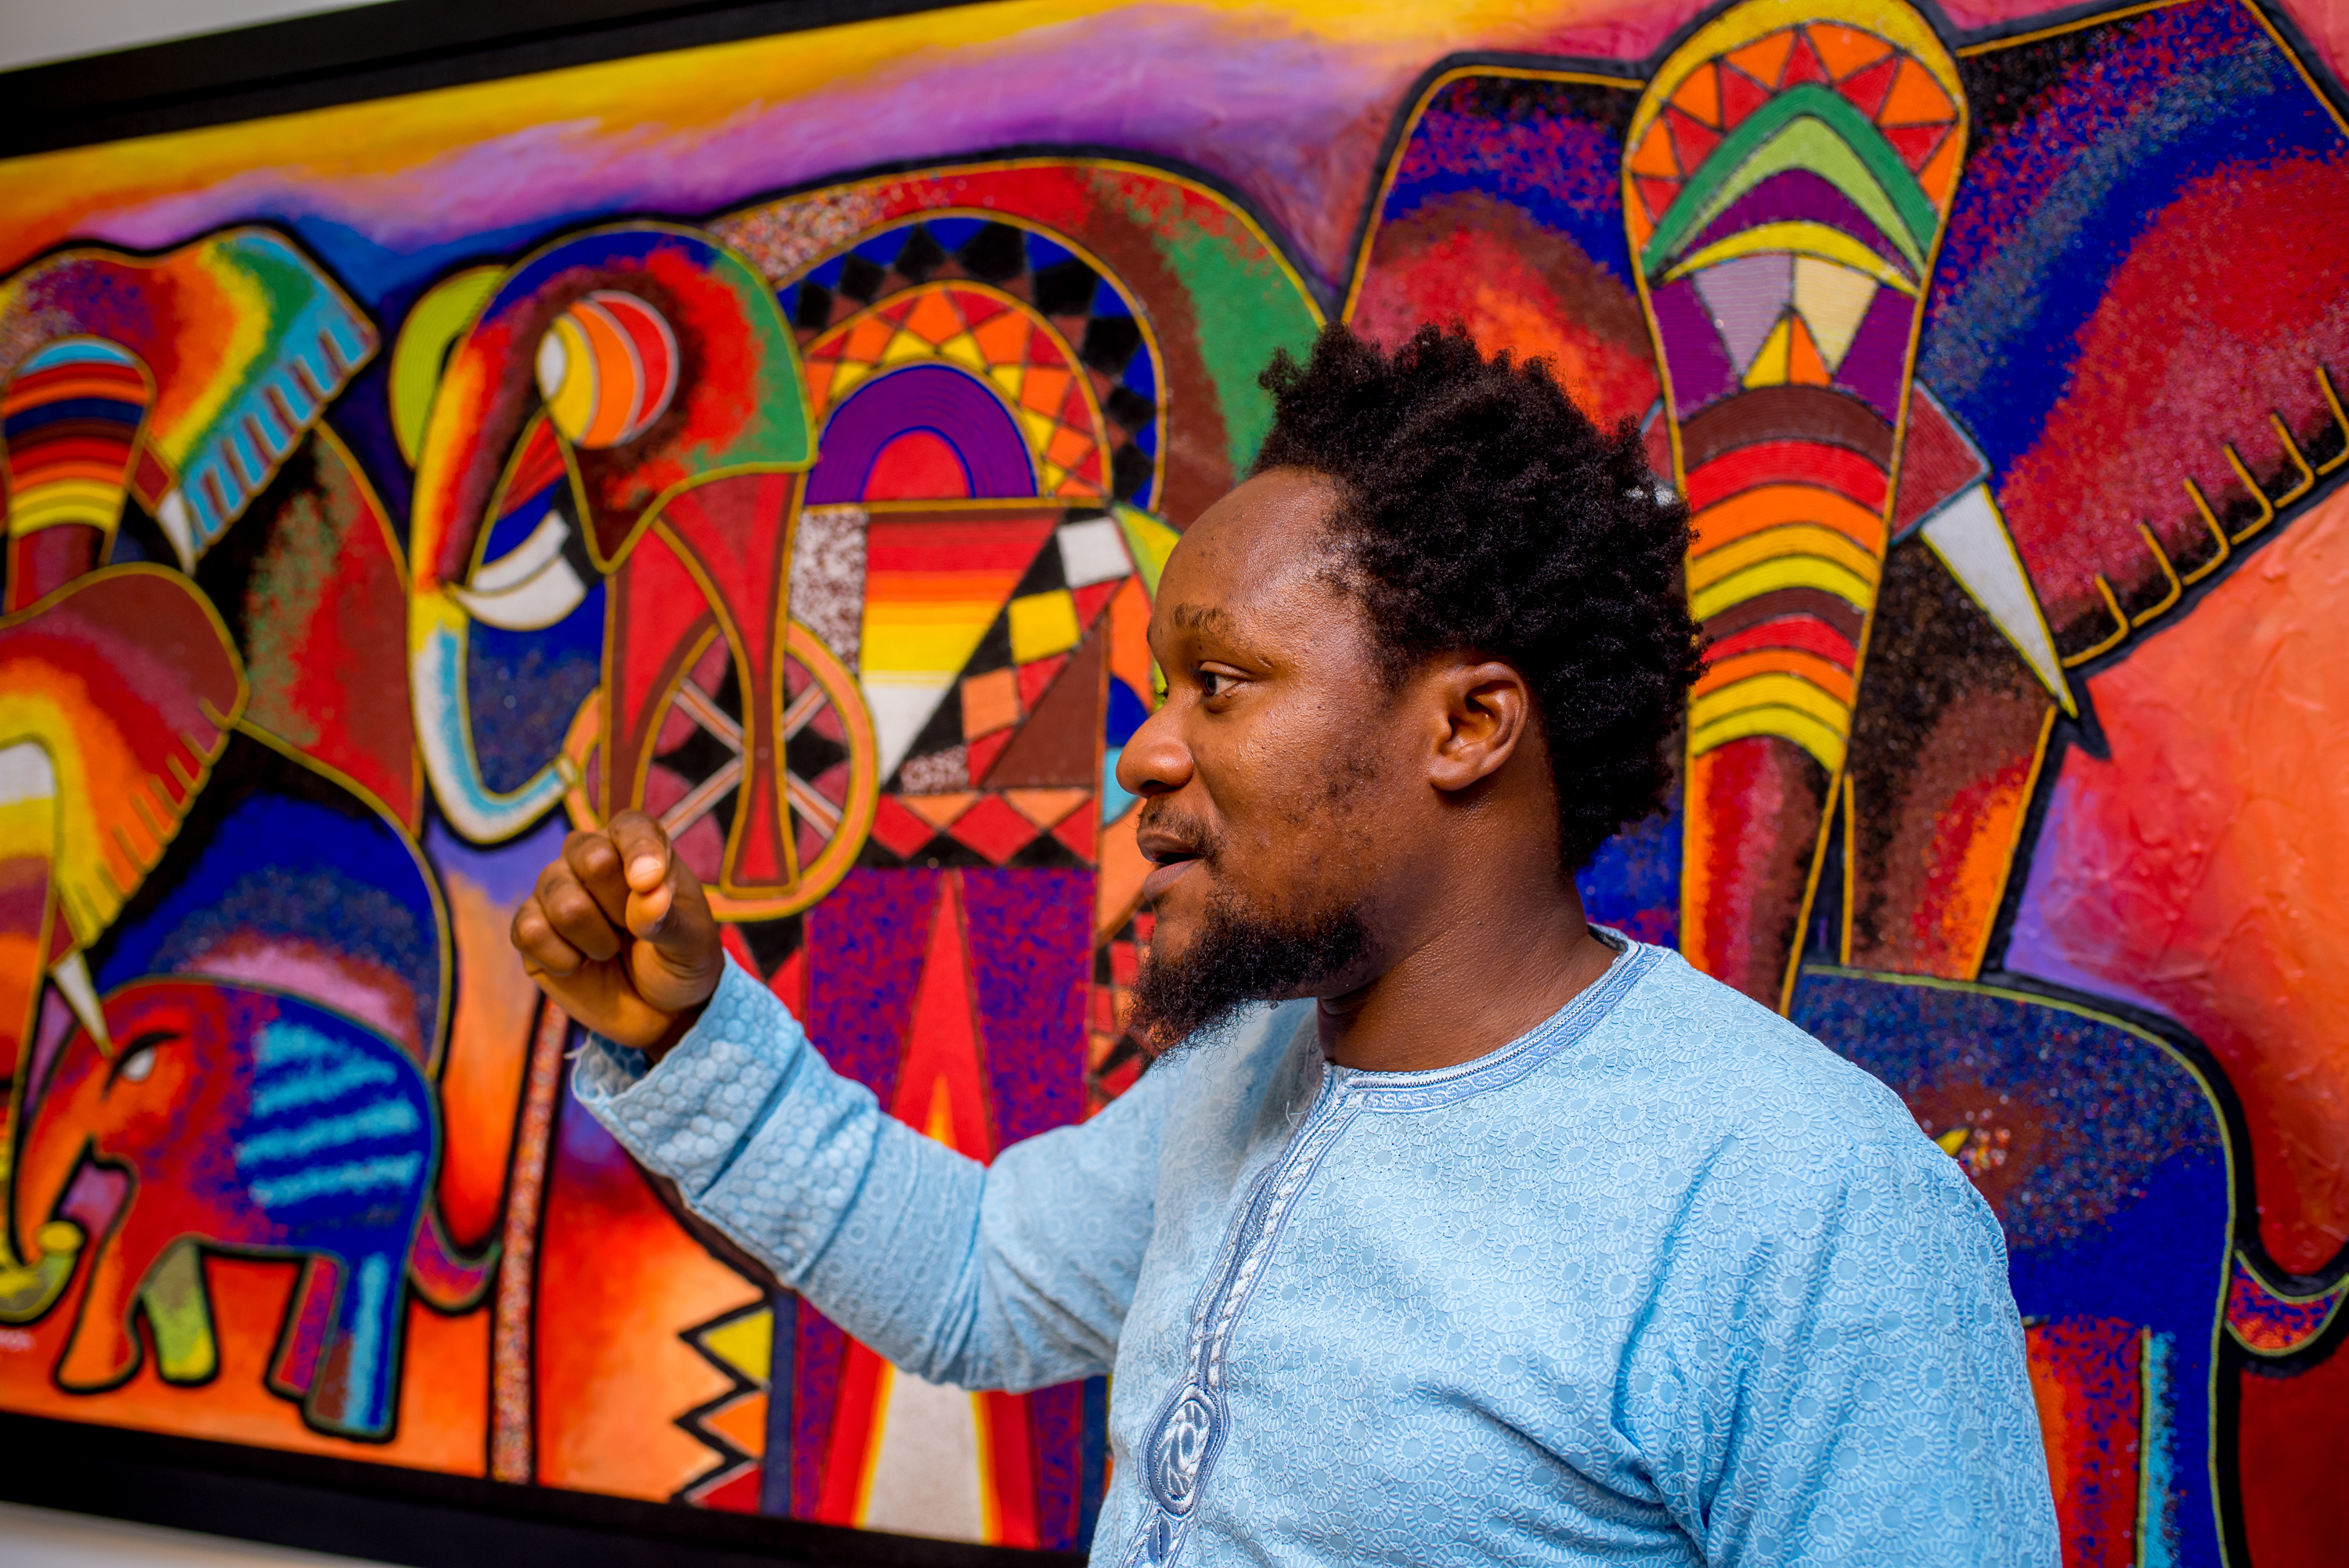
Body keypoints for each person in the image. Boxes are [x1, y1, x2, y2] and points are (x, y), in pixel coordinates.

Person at [512, 323, 2057, 1566]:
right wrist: (685, 1033)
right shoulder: (1251, 1073)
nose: (1144, 752)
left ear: (1467, 725)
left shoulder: (1806, 1203)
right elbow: (977, 1279)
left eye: (1221, 684)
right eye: (1158, 688)